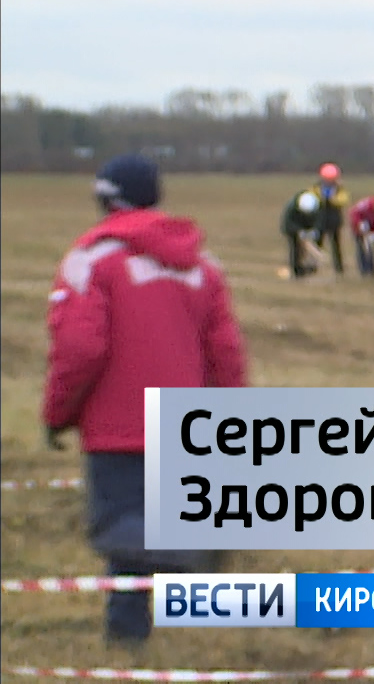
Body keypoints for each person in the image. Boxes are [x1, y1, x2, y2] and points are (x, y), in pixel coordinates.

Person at [42, 154, 249, 646]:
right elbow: (226, 356)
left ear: (106, 199)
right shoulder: (203, 267)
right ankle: (197, 619)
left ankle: (128, 637)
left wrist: (57, 413)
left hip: (117, 430)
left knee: (126, 539)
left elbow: (80, 348)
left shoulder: (91, 261)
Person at [307, 162, 351, 275]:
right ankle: (313, 266)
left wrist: (332, 199)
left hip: (334, 220)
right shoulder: (316, 187)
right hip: (320, 219)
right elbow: (311, 198)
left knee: (336, 245)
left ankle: (339, 268)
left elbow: (343, 200)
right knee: (317, 243)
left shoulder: (340, 189)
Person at [280, 190, 322, 278]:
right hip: (293, 229)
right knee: (295, 249)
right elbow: (288, 224)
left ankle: (311, 266)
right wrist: (298, 231)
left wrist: (314, 230)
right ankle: (297, 270)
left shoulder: (317, 207)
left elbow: (318, 221)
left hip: (307, 226)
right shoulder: (291, 209)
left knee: (310, 249)